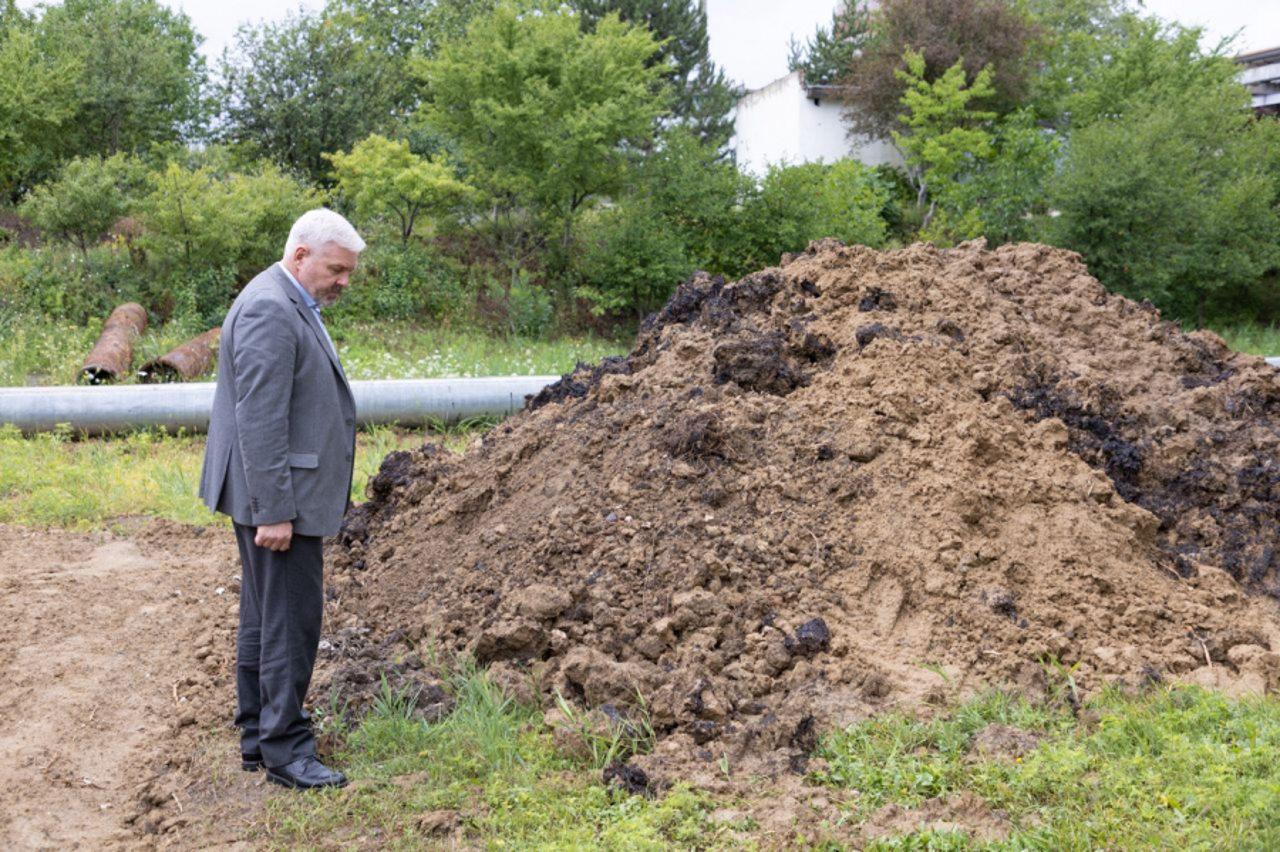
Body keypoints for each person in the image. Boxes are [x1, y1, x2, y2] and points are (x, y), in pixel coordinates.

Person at [198, 208, 365, 790]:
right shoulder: (272, 307)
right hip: (278, 499)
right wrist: (274, 509)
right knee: (290, 621)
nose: (345, 280)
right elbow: (261, 419)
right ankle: (286, 751)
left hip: (276, 494)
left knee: (265, 617)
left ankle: (257, 735)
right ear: (301, 256)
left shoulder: (285, 297)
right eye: (337, 269)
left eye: (349, 272)